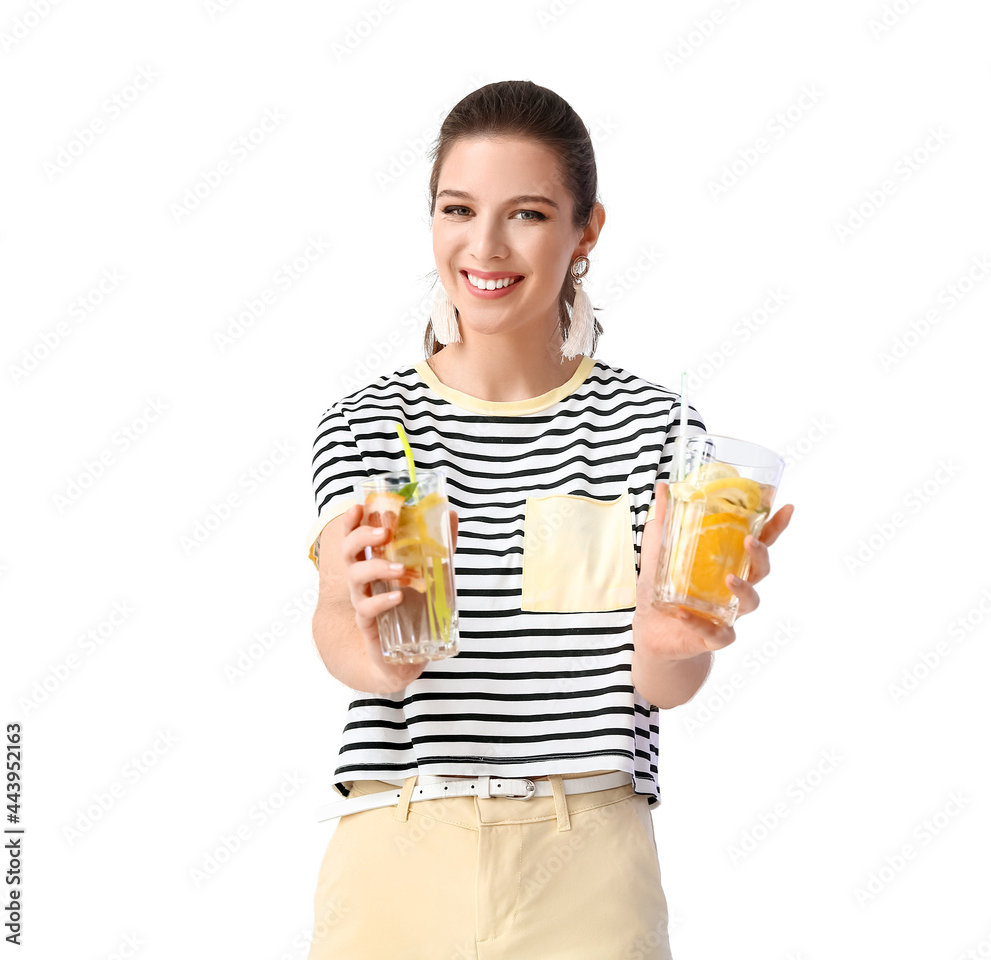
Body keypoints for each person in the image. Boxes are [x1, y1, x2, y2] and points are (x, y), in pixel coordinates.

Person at [304, 80, 793, 959]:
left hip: (590, 854)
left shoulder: (657, 429)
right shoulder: (365, 425)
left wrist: (679, 631)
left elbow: (659, 684)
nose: (484, 245)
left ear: (586, 232)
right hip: (397, 849)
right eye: (458, 208)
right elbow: (350, 647)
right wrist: (375, 630)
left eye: (526, 213)